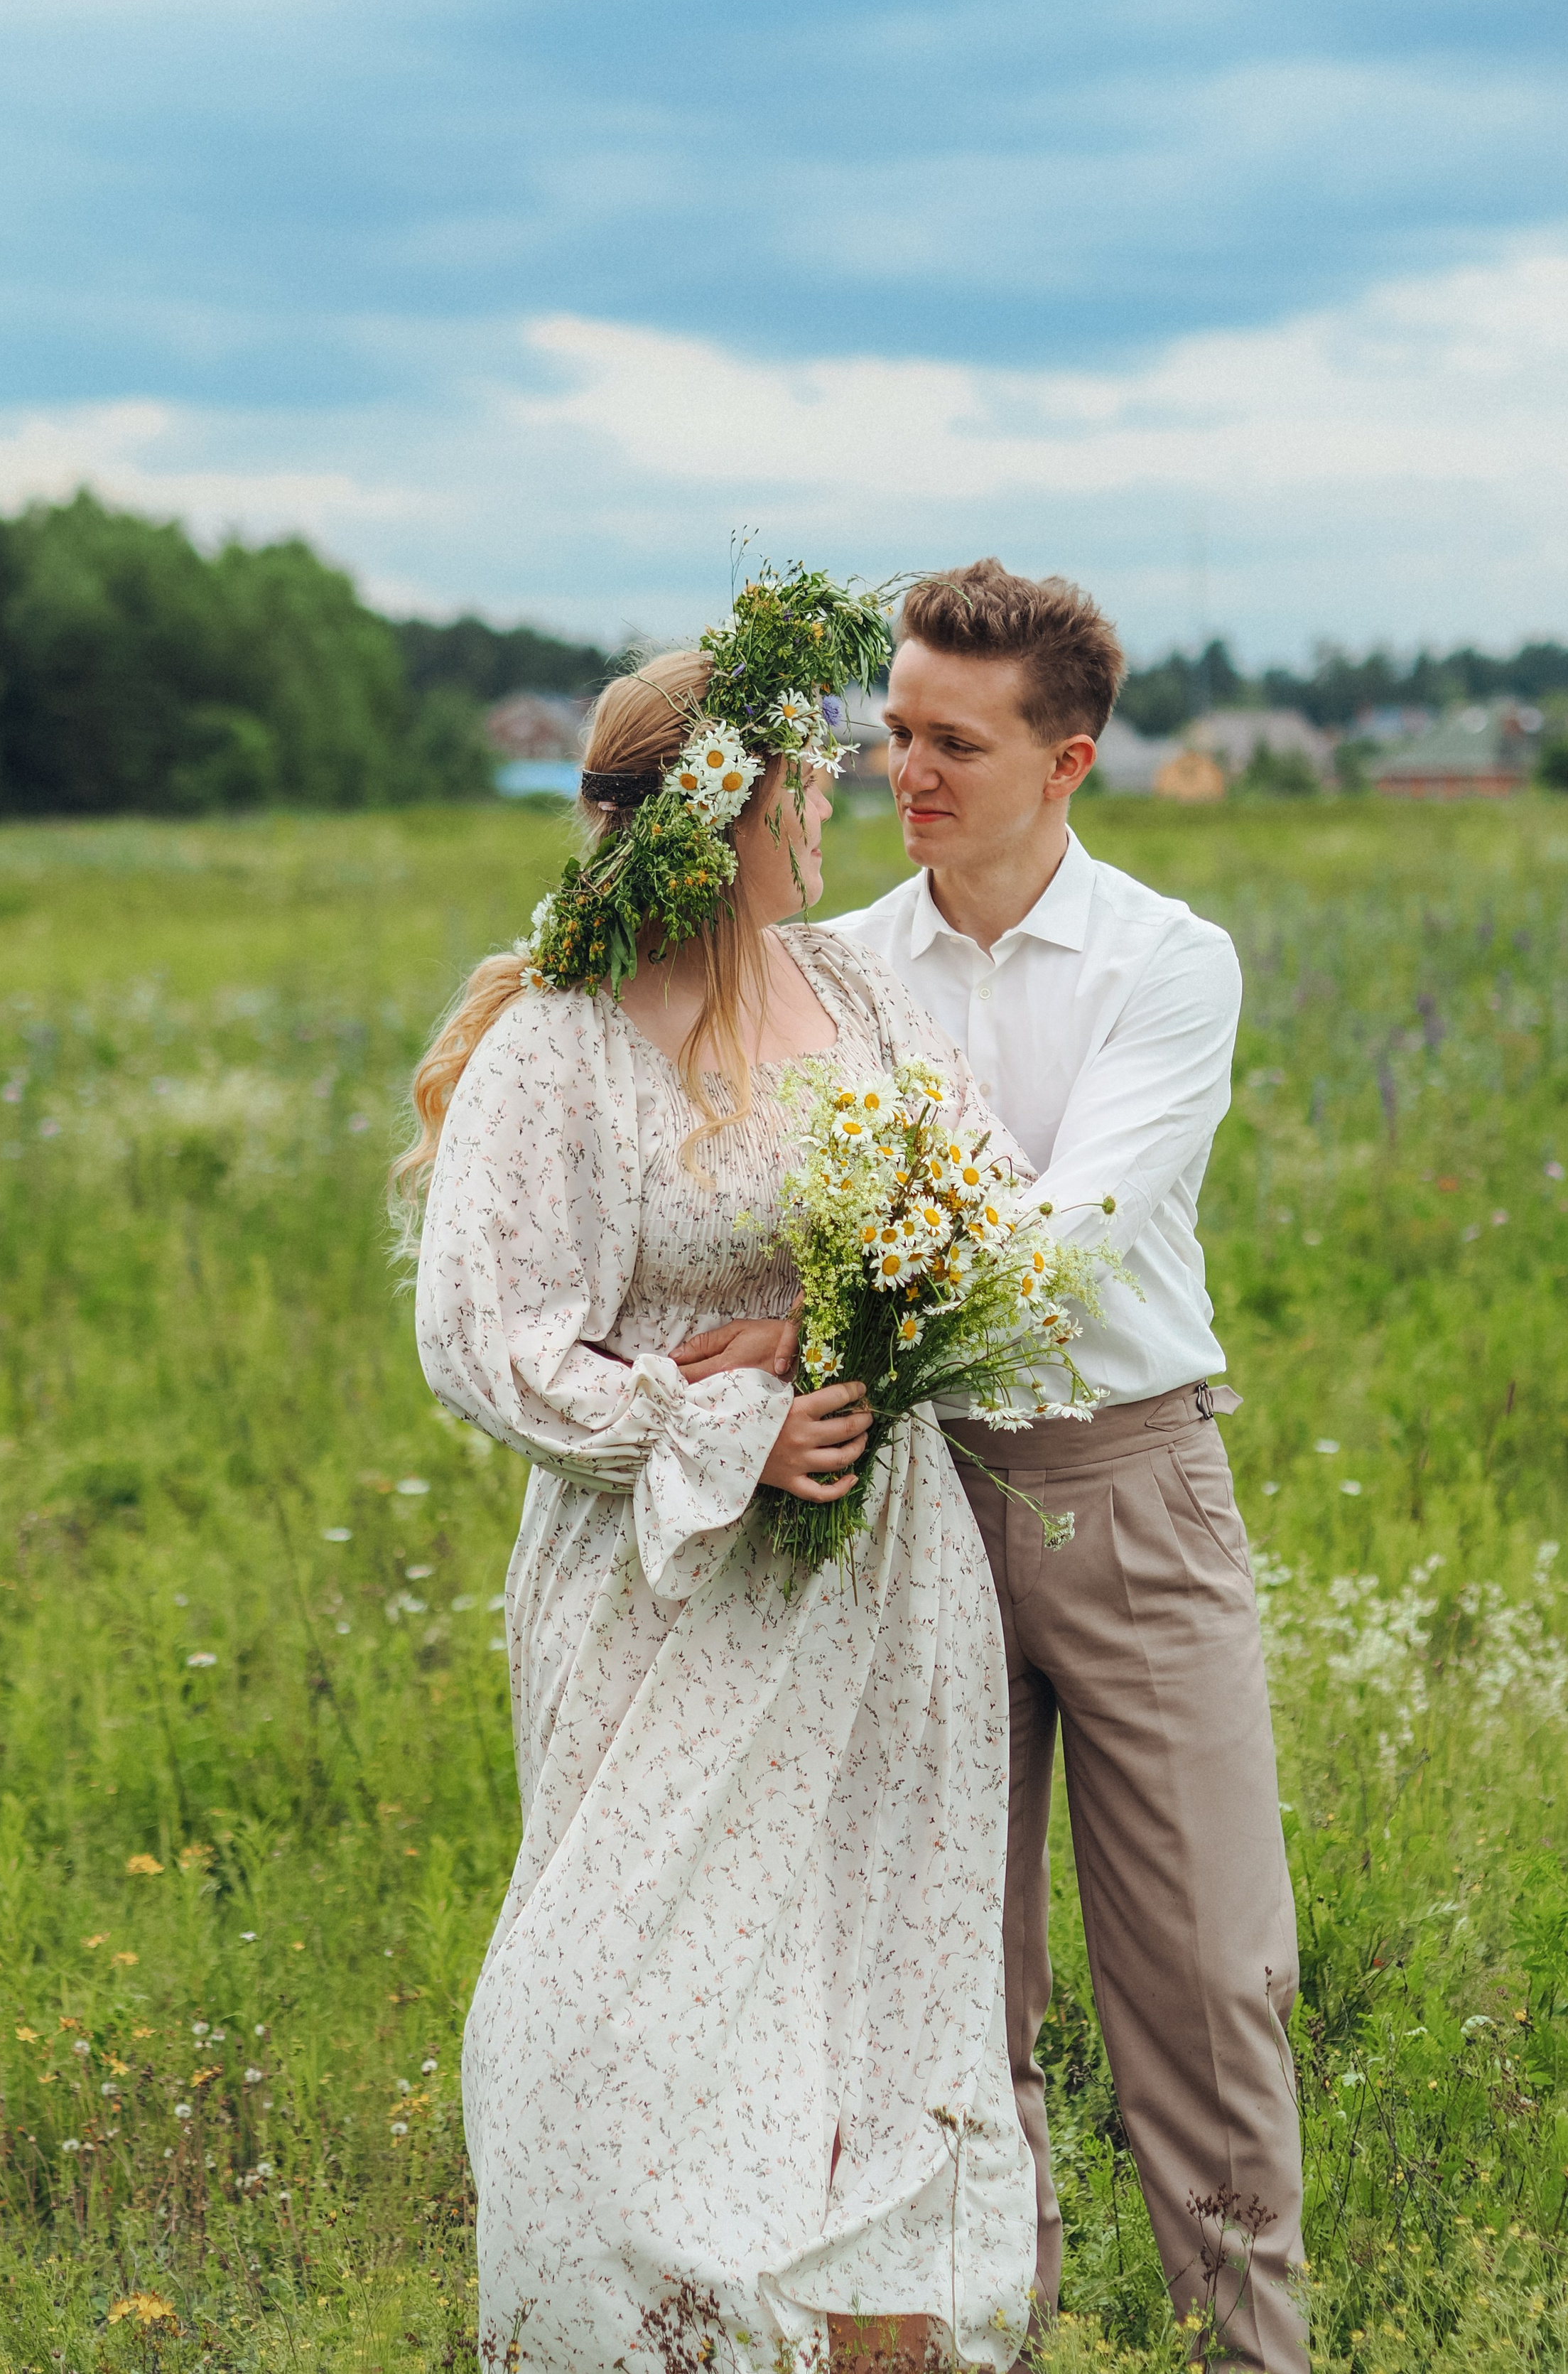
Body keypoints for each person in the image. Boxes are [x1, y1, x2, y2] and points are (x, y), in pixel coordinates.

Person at [399, 635, 1038, 2374]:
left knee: (870, 1985)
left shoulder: (859, 991)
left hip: (882, 1578)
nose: (827, 794)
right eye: (797, 772)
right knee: (612, 1998)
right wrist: (715, 1423)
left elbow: (960, 1198)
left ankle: (873, 2343)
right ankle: (643, 2340)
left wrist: (837, 1338)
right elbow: (482, 1335)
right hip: (667, 1583)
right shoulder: (561, 1040)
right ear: (713, 810)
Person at [833, 563, 1307, 2373]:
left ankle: (1239, 2352)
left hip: (1128, 1491)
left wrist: (840, 1302)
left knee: (1205, 1980)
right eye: (893, 732)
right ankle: (987, 2341)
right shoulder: (838, 972)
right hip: (905, 1502)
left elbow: (1072, 1239)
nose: (907, 771)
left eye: (952, 740)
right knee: (952, 1982)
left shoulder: (1166, 963)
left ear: (1070, 761)